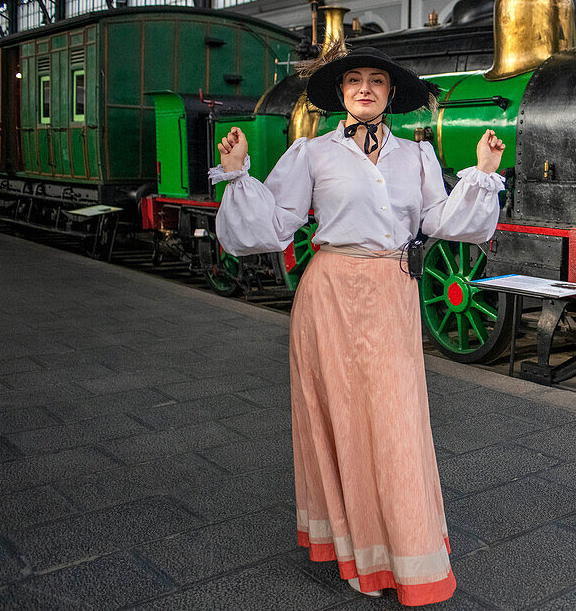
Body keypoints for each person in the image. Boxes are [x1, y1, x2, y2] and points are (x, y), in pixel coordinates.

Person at [208, 46, 506, 605]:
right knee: (341, 420)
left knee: (397, 423)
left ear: (391, 94)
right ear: (341, 93)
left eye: (376, 81)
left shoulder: (416, 158)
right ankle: (355, 551)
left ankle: (404, 552)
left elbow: (440, 222)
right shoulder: (311, 153)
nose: (365, 88)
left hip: (392, 292)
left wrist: (482, 176)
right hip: (330, 296)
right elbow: (273, 226)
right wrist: (237, 176)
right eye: (354, 80)